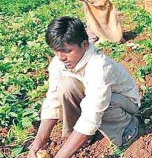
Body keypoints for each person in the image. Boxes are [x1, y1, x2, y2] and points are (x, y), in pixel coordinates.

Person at [27, 16, 140, 158]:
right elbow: (52, 102)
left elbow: (93, 111)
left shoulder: (99, 65)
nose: (61, 57)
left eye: (67, 51)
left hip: (124, 102)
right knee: (66, 86)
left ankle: (125, 129)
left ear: (85, 44)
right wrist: (39, 142)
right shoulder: (58, 63)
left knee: (104, 103)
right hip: (93, 97)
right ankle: (79, 137)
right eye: (56, 51)